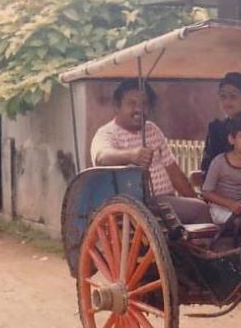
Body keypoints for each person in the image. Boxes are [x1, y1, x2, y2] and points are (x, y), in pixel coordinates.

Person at [90, 79, 210, 224]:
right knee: (200, 210)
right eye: (131, 103)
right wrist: (132, 155)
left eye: (144, 104)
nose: (139, 109)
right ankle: (206, 246)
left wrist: (193, 198)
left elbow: (174, 172)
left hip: (167, 201)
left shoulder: (152, 129)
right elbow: (101, 157)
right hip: (139, 205)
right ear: (117, 106)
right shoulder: (106, 134)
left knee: (200, 207)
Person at [201, 111, 241, 243]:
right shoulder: (219, 162)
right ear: (232, 139)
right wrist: (230, 204)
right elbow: (206, 192)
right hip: (221, 208)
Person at [199, 72, 241, 178]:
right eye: (223, 96)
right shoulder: (216, 128)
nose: (227, 101)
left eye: (233, 96)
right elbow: (207, 164)